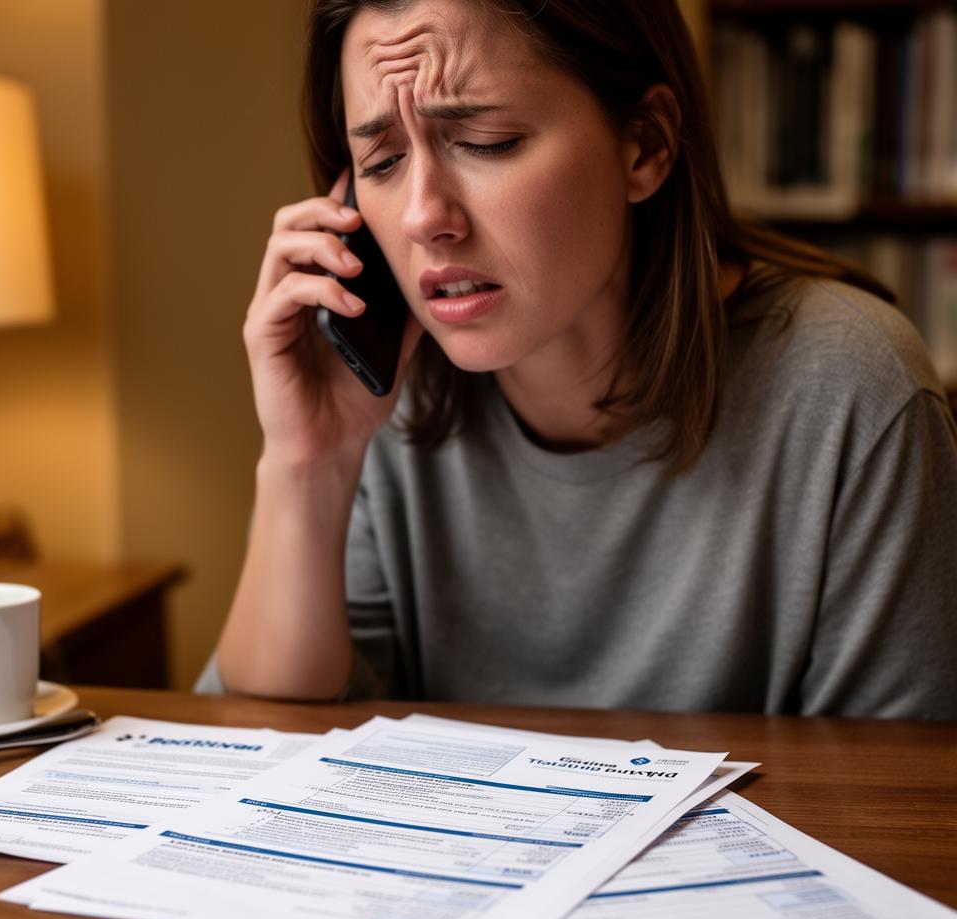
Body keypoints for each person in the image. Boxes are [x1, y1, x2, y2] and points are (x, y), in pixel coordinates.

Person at [197, 0, 957, 717]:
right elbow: (259, 751)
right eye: (384, 161)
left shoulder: (853, 388)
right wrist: (308, 462)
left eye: (484, 142)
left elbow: (899, 803)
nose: (426, 218)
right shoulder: (388, 395)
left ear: (646, 145)